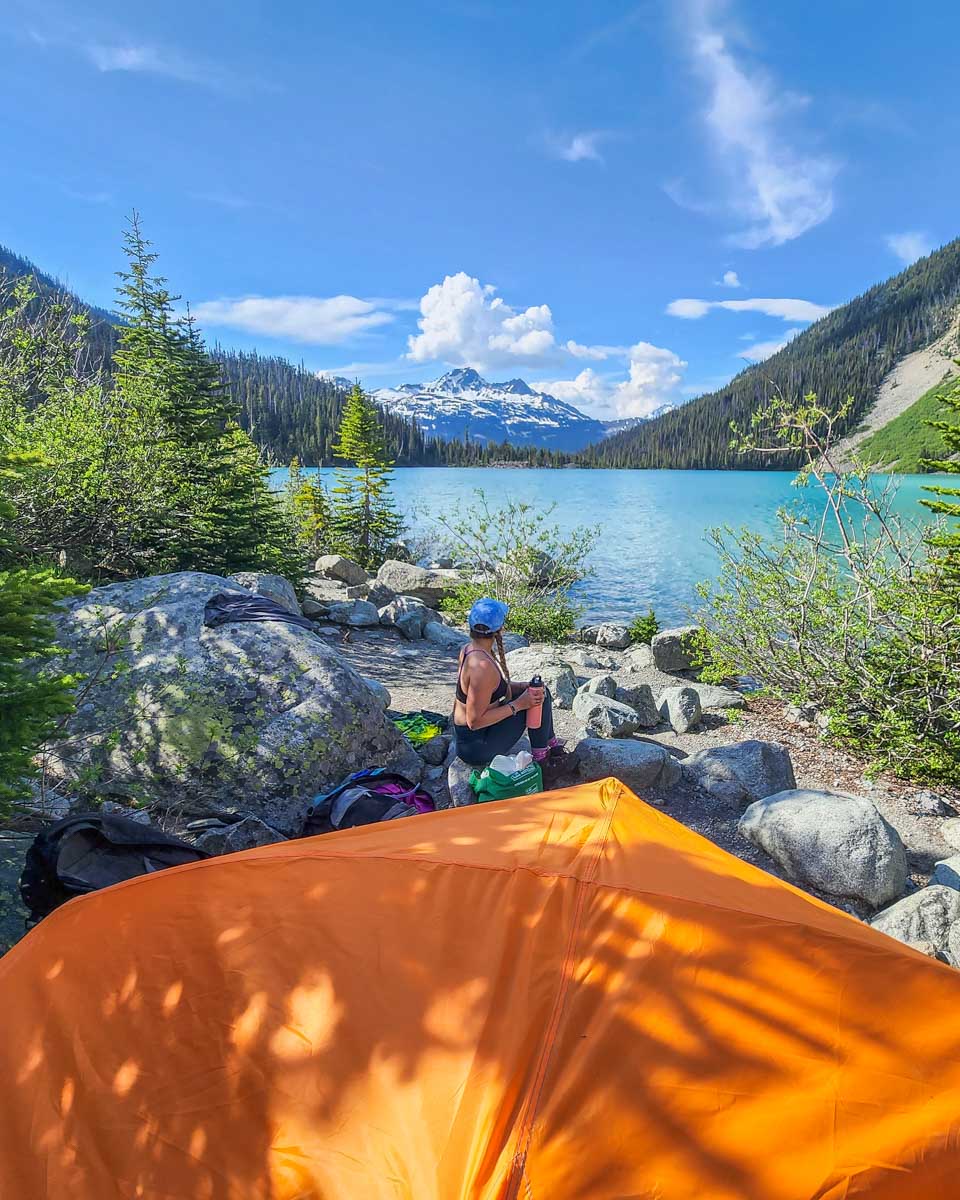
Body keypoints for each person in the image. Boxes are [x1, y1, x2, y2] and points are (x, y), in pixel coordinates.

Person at [453, 597, 568, 771]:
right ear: (500, 629)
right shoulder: (482, 667)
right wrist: (518, 705)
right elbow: (474, 721)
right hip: (476, 746)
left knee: (540, 692)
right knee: (538, 700)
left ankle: (552, 745)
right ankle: (543, 763)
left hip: (474, 737)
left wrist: (519, 687)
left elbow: (488, 691)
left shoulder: (470, 649)